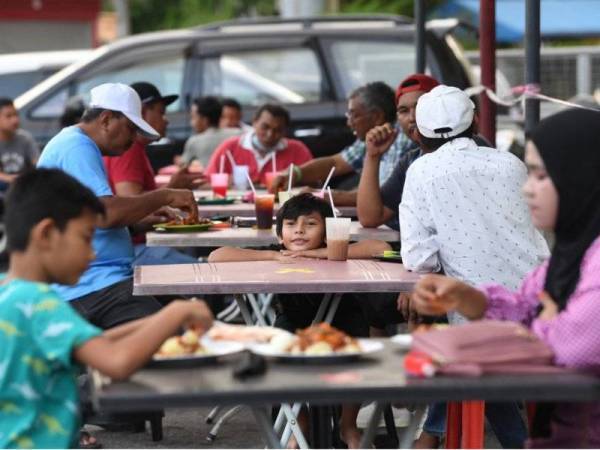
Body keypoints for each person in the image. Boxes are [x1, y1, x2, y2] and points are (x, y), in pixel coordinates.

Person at [410, 108, 600, 448]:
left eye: (542, 176)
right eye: (530, 174)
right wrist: (470, 298)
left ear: (583, 177)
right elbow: (525, 304)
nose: (527, 190)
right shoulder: (571, 254)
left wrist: (522, 329)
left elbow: (571, 348)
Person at [0, 168, 213, 449]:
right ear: (47, 234)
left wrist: (161, 321)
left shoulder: (13, 295)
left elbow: (92, 344)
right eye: (86, 238)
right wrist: (177, 313)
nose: (92, 253)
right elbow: (115, 361)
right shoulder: (41, 303)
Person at [400, 85, 550, 448]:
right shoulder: (510, 163)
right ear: (477, 122)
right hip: (542, 300)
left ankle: (488, 440)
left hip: (481, 313)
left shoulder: (422, 172)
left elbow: (418, 258)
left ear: (419, 133)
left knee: (463, 345)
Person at [208, 193, 391, 448]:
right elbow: (217, 256)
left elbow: (380, 248)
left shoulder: (336, 251)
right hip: (293, 321)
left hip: (343, 320)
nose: (300, 231)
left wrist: (321, 253)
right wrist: (272, 257)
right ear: (280, 235)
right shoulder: (279, 252)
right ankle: (300, 421)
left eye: (311, 224)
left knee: (357, 343)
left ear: (327, 232)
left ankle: (347, 425)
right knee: (275, 348)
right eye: (291, 225)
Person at [37, 82, 199, 329]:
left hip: (104, 279)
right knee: (174, 332)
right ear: (106, 119)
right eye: (131, 129)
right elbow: (106, 214)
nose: (134, 139)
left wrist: (137, 223)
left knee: (189, 318)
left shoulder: (79, 145)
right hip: (90, 286)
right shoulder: (76, 146)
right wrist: (164, 196)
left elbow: (89, 219)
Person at [103, 82, 203, 265]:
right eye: (161, 112)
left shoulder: (134, 148)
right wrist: (171, 190)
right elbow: (131, 204)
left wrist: (171, 191)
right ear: (141, 112)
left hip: (139, 244)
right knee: (204, 272)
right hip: (135, 249)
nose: (166, 120)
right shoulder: (129, 149)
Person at [269, 82, 415, 205]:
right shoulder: (373, 136)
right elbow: (336, 162)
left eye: (353, 115)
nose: (348, 122)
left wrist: (326, 196)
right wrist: (295, 173)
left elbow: (382, 196)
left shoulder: (401, 140)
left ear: (376, 116)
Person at [356, 74, 439, 230]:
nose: (412, 117)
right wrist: (373, 156)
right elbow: (370, 218)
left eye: (421, 106)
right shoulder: (410, 160)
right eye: (403, 110)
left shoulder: (468, 147)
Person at [205, 103, 313, 185]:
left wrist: (294, 178)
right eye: (265, 127)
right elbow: (204, 183)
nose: (270, 134)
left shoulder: (297, 150)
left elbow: (315, 183)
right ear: (254, 122)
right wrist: (227, 182)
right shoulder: (230, 147)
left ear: (285, 130)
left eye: (278, 130)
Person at [179, 96, 241, 167]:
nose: (191, 123)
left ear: (205, 120)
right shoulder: (238, 134)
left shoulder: (194, 141)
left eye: (193, 117)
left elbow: (182, 168)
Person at [0, 98, 40, 189]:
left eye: (16, 115)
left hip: (22, 190)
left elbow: (38, 163)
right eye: (8, 116)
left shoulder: (25, 138)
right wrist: (14, 179)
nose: (15, 120)